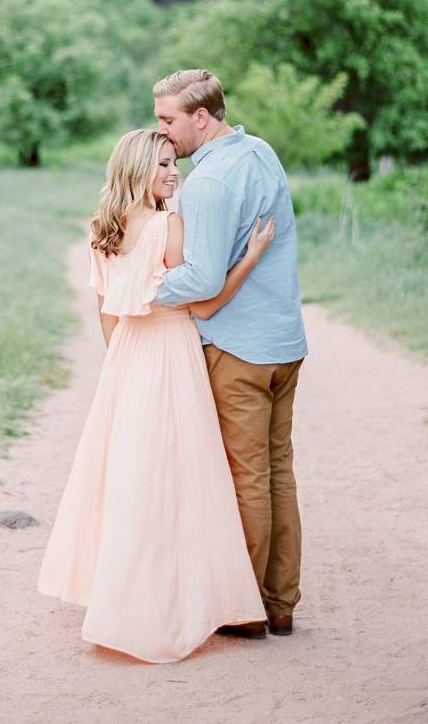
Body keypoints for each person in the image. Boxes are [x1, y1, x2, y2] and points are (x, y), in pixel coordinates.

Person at [37, 129, 275, 663]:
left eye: (175, 163)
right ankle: (169, 606)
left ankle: (122, 599)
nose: (174, 172)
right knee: (178, 479)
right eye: (164, 165)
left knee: (129, 478)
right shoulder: (170, 224)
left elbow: (107, 313)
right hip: (170, 357)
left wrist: (122, 368)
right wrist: (253, 254)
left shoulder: (102, 231)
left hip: (126, 360)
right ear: (138, 170)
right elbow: (207, 304)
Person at [153, 69, 308, 637]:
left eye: (169, 119)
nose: (162, 132)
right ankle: (279, 604)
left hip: (240, 349)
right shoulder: (260, 151)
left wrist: (147, 285)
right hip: (284, 343)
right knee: (277, 473)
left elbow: (200, 278)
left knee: (246, 479)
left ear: (202, 116)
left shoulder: (209, 182)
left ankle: (244, 609)